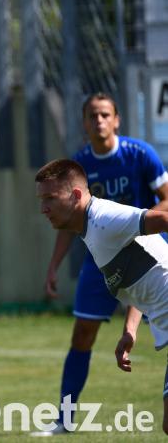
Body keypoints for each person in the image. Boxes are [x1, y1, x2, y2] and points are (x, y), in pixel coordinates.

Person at [36, 92, 168, 436]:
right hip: (126, 264)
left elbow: (161, 214)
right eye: (92, 115)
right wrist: (130, 330)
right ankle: (64, 419)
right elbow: (141, 279)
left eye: (50, 199)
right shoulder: (81, 182)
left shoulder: (132, 168)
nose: (99, 121)